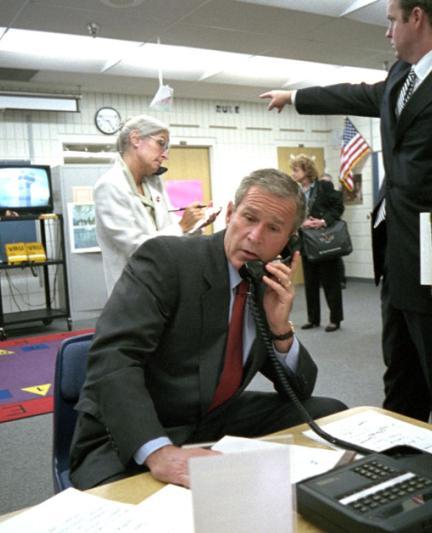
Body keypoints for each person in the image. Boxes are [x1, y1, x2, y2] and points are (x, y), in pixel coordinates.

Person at [70, 168, 347, 490]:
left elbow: (298, 392)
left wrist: (279, 328)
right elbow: (113, 358)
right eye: (249, 218)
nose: (255, 236)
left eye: (273, 228)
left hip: (212, 418)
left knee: (329, 414)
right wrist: (158, 451)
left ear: (290, 242)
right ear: (230, 213)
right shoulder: (167, 259)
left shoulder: (264, 280)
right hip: (138, 427)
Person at [260, 0, 432, 421]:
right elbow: (357, 94)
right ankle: (400, 449)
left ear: (417, 16)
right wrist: (296, 96)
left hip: (430, 243)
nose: (388, 32)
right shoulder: (400, 76)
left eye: (392, 20)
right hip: (398, 245)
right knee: (401, 361)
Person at [94, 114, 214, 295]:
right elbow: (135, 248)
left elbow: (168, 227)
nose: (165, 155)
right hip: (132, 293)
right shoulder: (110, 186)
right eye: (161, 143)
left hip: (163, 286)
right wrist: (182, 227)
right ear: (135, 139)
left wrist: (196, 223)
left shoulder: (153, 184)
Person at [291, 155, 345, 332]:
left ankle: (335, 320)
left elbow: (338, 207)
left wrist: (323, 221)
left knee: (331, 282)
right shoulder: (296, 191)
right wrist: (300, 223)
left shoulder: (324, 186)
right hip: (307, 242)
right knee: (310, 282)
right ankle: (313, 319)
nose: (293, 174)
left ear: (306, 170)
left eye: (296, 170)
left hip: (325, 240)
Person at [320, 173, 347, 289]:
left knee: (336, 255)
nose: (325, 185)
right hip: (320, 229)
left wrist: (326, 219)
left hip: (333, 227)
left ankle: (341, 280)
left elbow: (337, 210)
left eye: (327, 182)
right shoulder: (318, 195)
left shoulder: (336, 195)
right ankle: (323, 281)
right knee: (321, 255)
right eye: (323, 182)